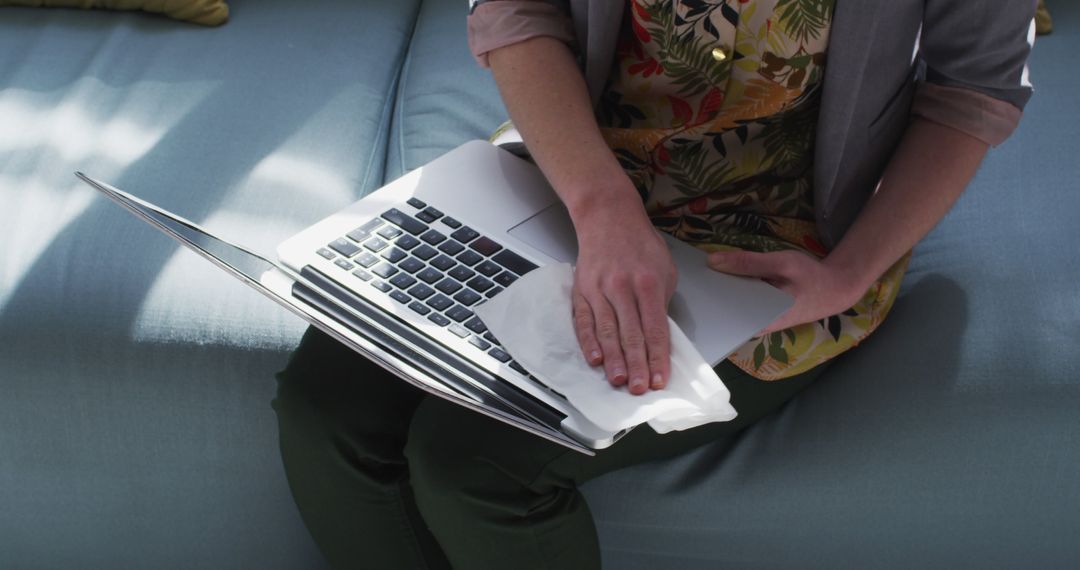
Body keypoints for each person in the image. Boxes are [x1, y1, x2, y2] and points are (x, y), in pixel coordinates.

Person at [272, 1, 1036, 568]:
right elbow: (516, 11)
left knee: (471, 468)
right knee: (325, 411)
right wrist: (602, 208)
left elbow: (974, 89)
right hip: (572, 177)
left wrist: (849, 273)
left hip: (779, 235)